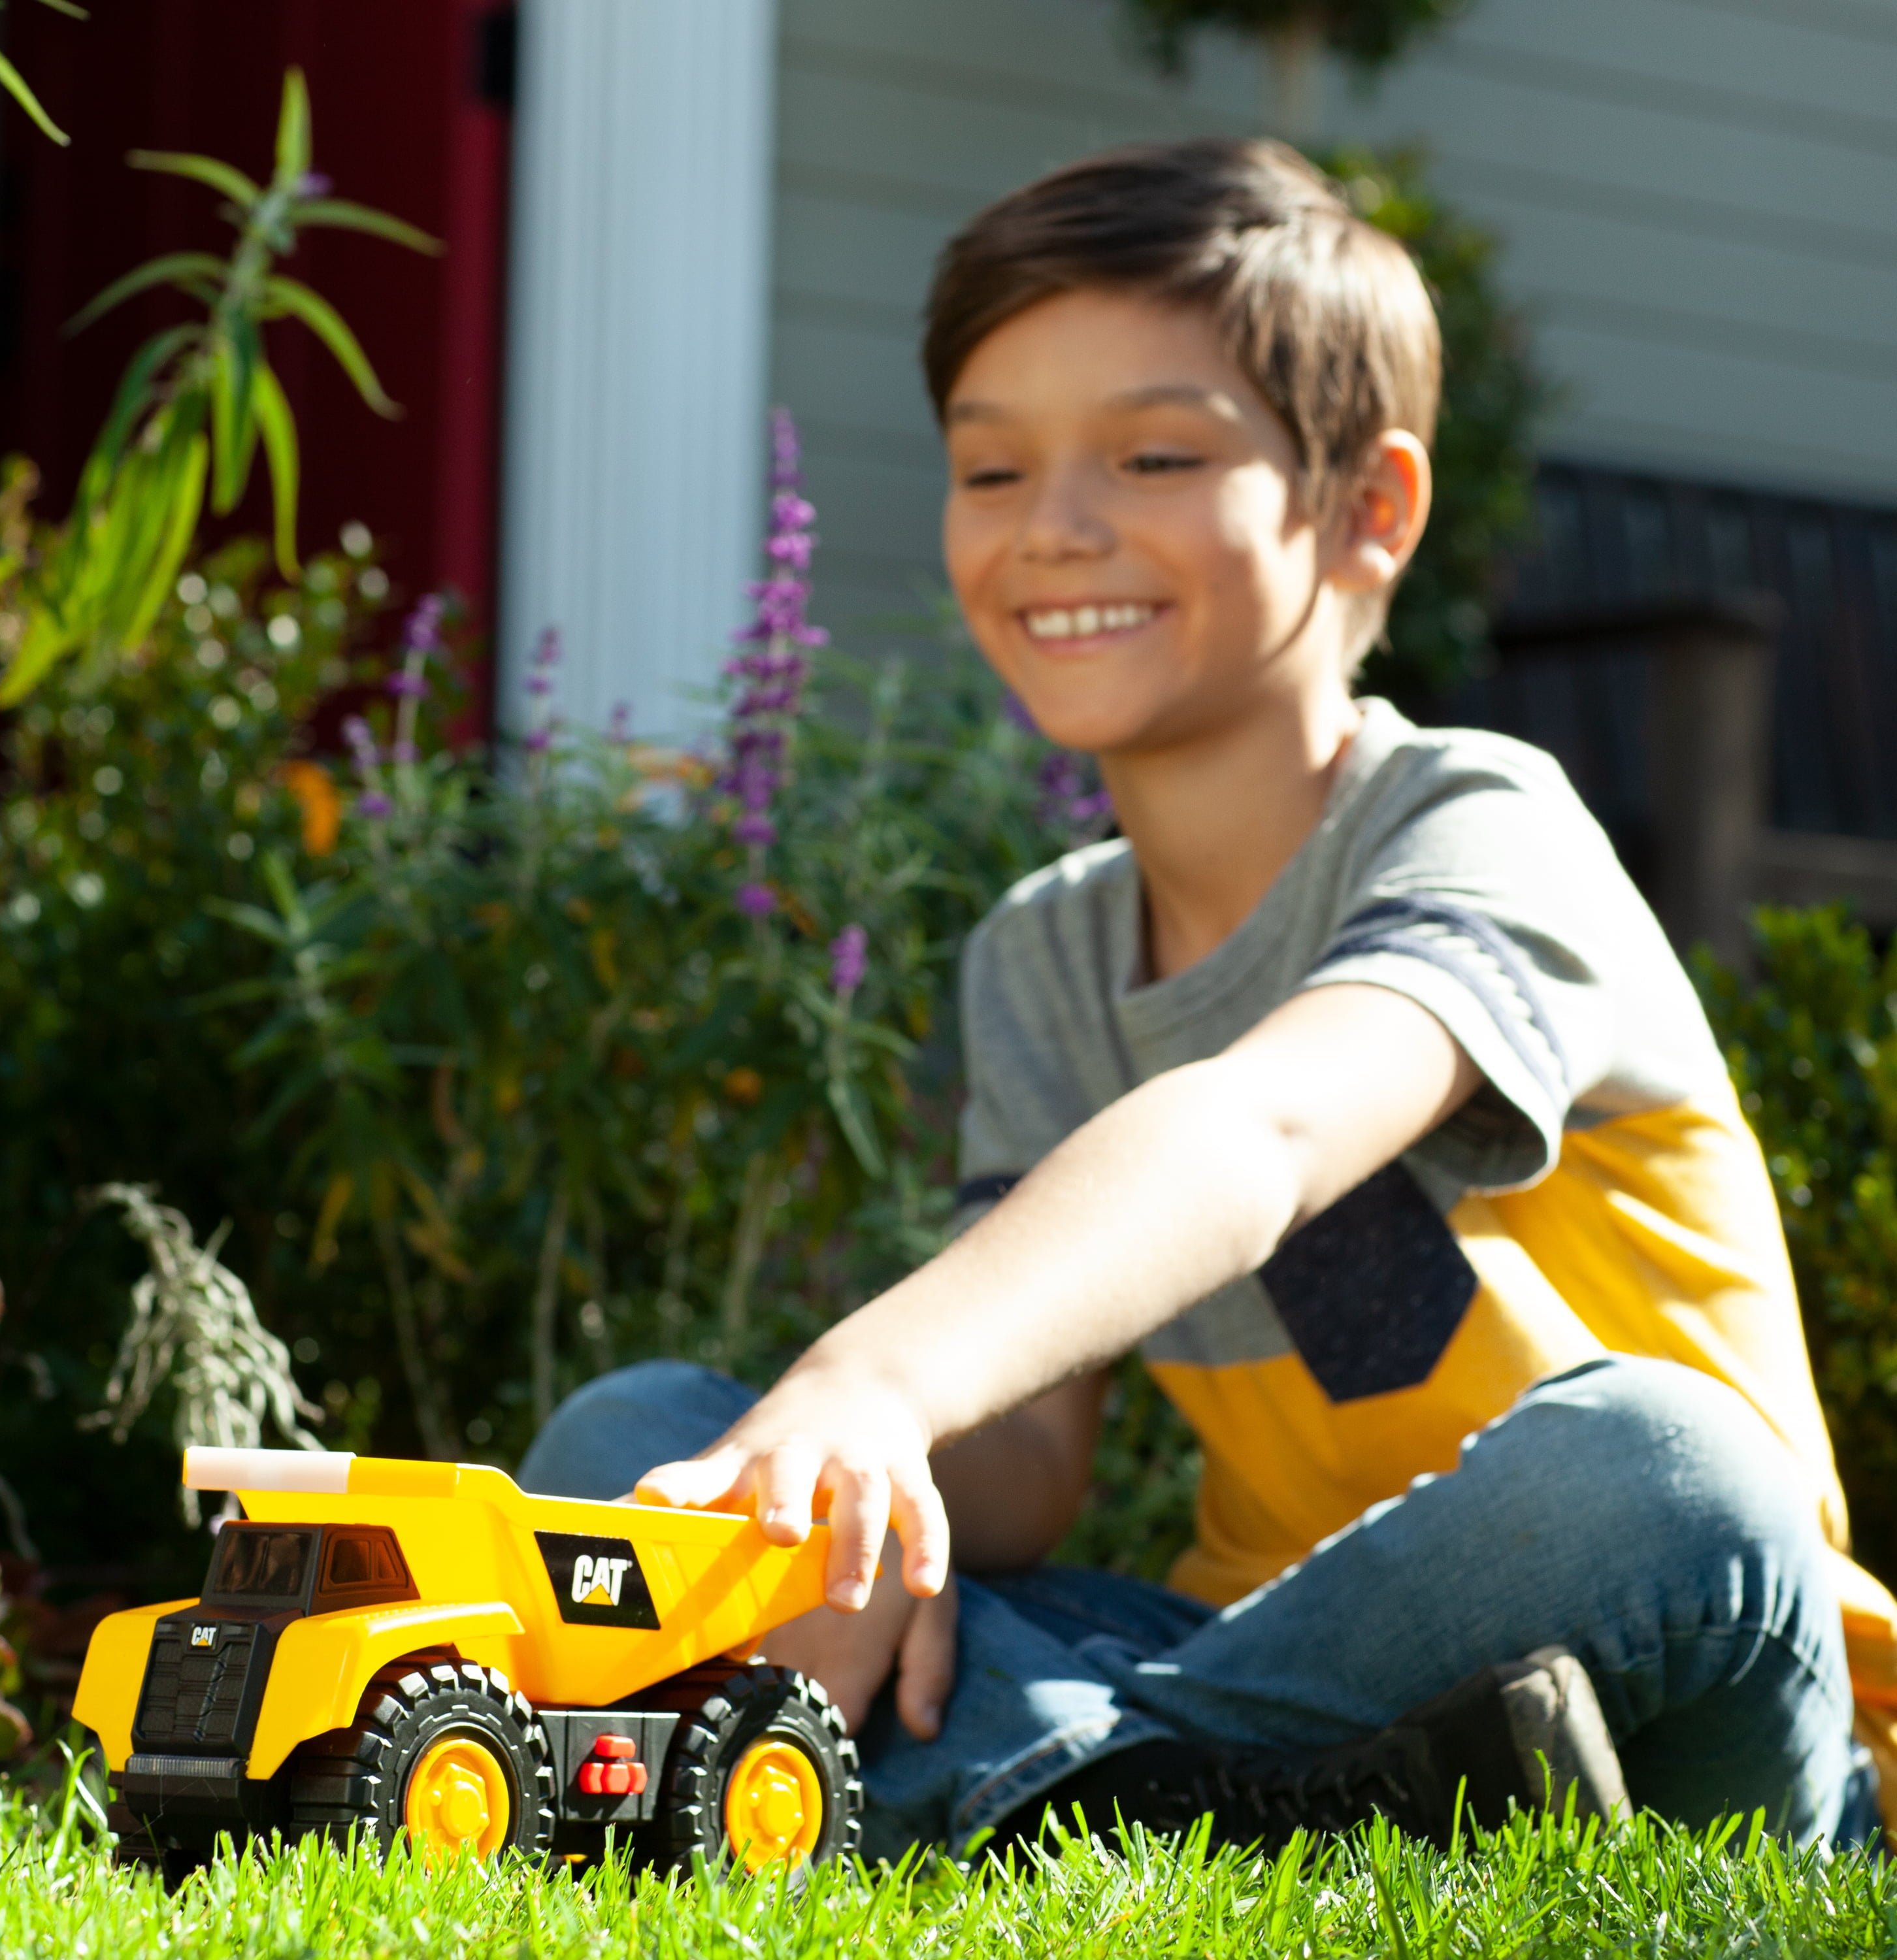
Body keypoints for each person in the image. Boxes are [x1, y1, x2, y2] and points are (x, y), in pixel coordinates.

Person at [522, 138, 1893, 1860]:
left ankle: (1009, 1795)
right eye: (992, 467)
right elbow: (1026, 1453)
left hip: (1676, 1676)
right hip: (1264, 1671)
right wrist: (868, 1513)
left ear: (1369, 509)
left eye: (1155, 453)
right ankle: (1193, 1809)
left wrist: (864, 1380)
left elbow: (1264, 1127)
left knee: (1673, 1468)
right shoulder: (1045, 949)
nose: (1057, 528)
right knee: (637, 1438)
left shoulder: (1483, 829)